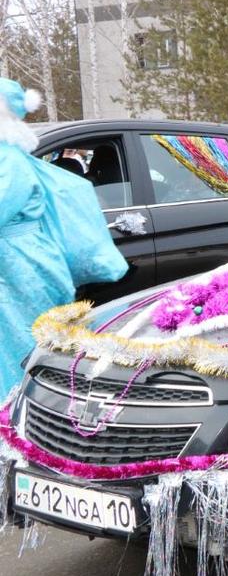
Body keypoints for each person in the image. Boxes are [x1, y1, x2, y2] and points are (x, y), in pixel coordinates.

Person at [0, 78, 126, 392]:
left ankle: (26, 404)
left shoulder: (9, 160)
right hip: (16, 261)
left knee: (24, 339)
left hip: (21, 265)